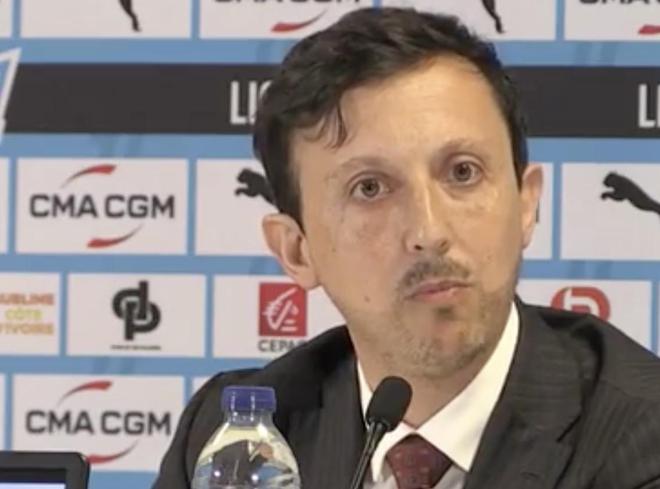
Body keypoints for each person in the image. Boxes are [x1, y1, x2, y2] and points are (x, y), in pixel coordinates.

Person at [153, 7, 660, 489]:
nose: (429, 230)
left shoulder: (642, 437)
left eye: (463, 172)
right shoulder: (237, 440)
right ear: (297, 251)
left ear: (526, 205)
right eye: (370, 188)